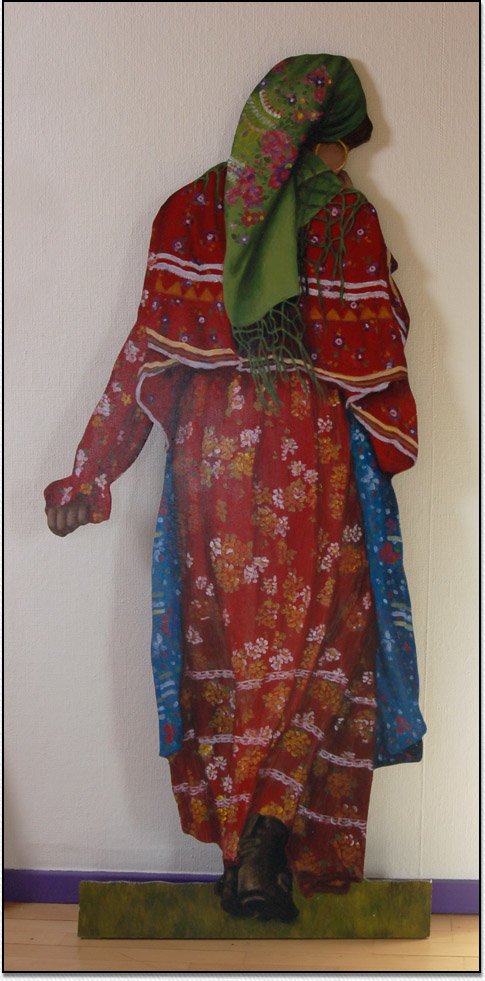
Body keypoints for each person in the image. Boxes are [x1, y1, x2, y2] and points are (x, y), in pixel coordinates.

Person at [44, 55, 426, 922]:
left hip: (209, 459)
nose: (339, 163)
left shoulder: (191, 210)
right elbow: (381, 365)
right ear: (318, 135)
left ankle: (243, 853)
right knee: (327, 643)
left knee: (224, 650)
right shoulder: (348, 219)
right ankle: (266, 835)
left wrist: (92, 470)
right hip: (314, 456)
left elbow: (146, 348)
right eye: (339, 143)